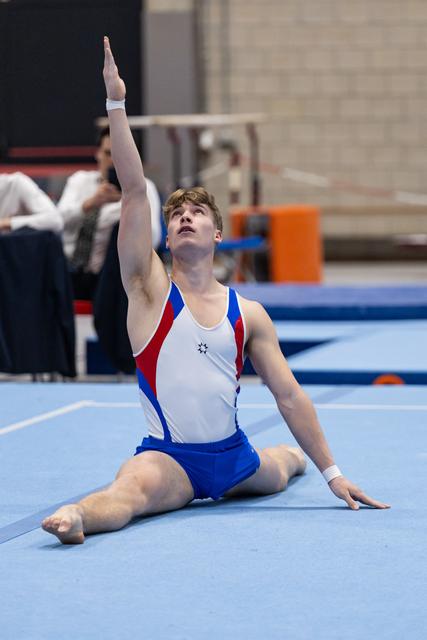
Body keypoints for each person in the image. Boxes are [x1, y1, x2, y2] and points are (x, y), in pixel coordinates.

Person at [42, 37, 389, 545]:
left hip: (234, 458)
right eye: (177, 215)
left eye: (197, 213)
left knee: (279, 466)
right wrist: (116, 103)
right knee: (129, 493)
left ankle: (293, 461)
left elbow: (288, 396)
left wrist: (332, 474)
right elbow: (135, 190)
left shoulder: (247, 312)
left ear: (217, 234)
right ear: (167, 233)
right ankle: (76, 516)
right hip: (170, 460)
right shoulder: (149, 289)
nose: (184, 218)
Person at [58, 126, 162, 299]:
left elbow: (153, 238)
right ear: (97, 153)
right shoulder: (79, 181)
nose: (114, 161)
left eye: (120, 155)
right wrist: (90, 203)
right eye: (108, 153)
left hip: (115, 279)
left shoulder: (143, 189)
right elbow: (57, 221)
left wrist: (130, 205)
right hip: (70, 270)